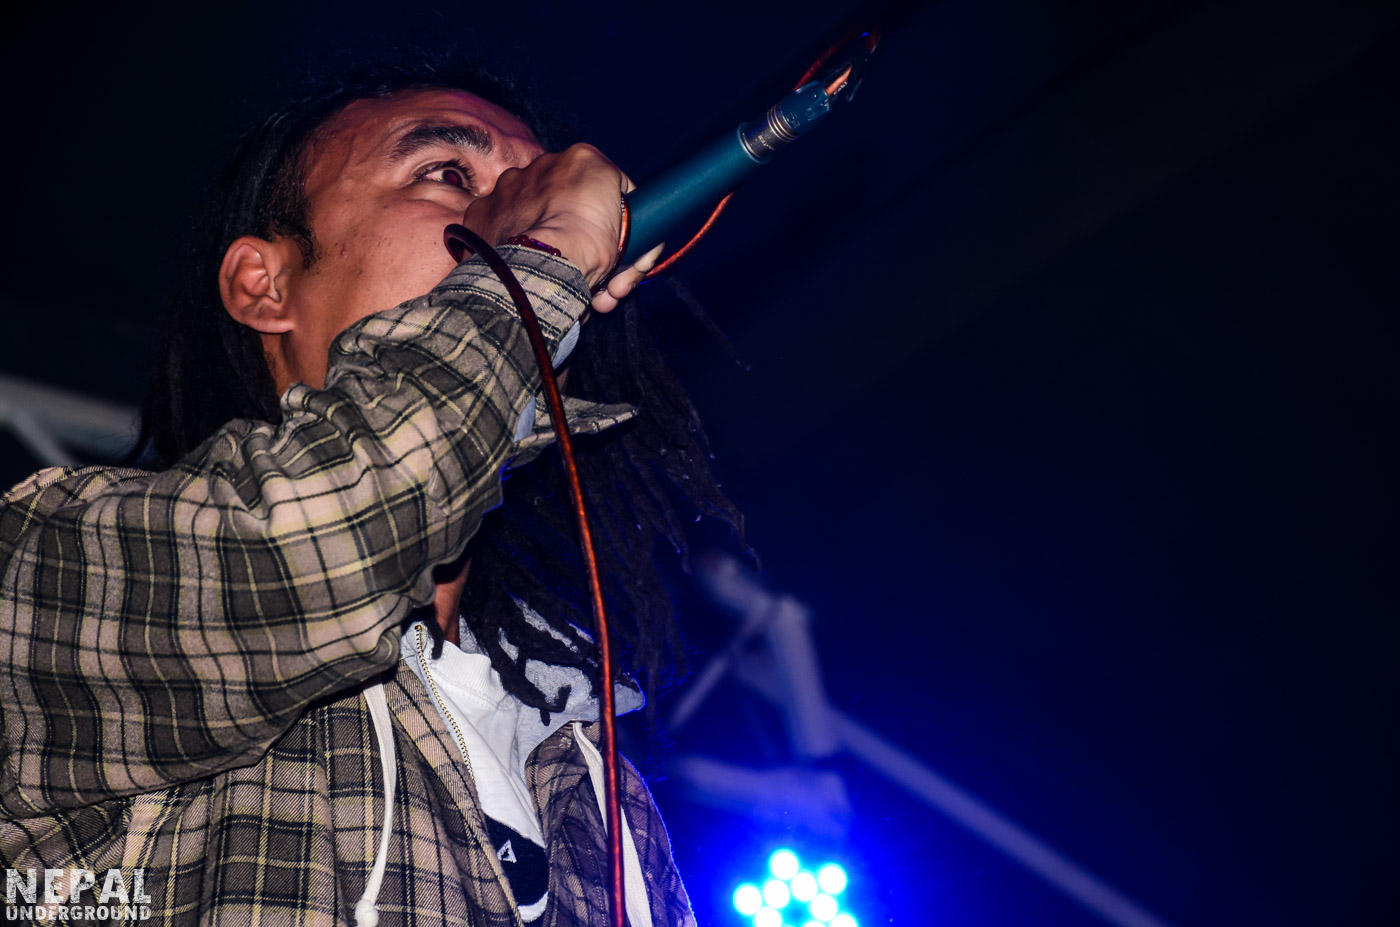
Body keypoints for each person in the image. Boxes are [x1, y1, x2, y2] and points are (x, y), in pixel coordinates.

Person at [0, 60, 741, 926]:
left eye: (534, 191)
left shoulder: (601, 787)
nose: (519, 213)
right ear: (265, 284)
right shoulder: (53, 561)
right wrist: (535, 260)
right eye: (448, 173)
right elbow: (319, 547)